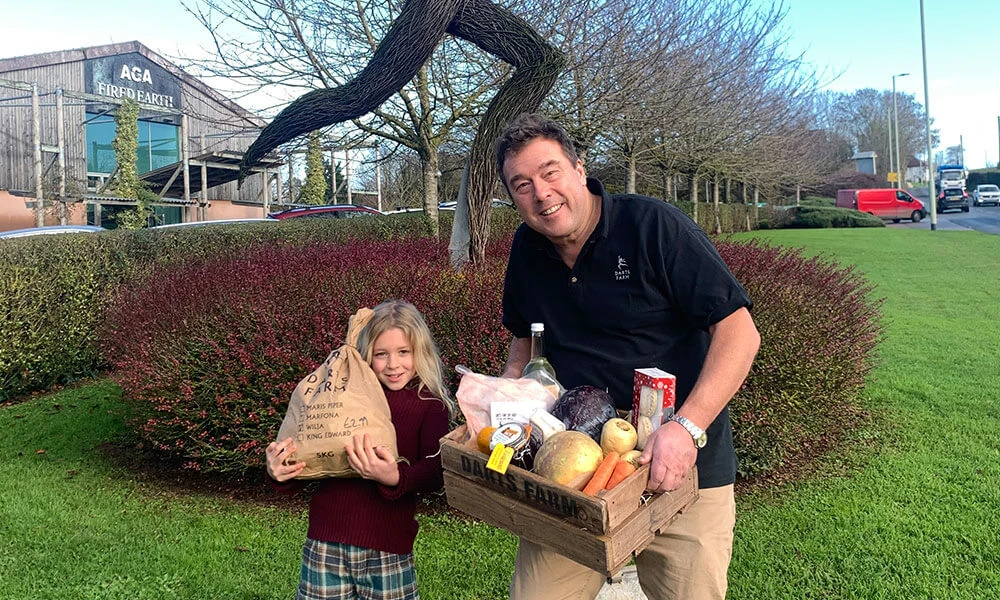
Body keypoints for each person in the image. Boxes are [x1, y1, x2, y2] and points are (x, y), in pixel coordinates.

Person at [496, 113, 761, 600]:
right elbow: (524, 339)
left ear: (579, 169)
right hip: (574, 476)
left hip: (680, 470)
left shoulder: (653, 227)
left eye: (551, 172)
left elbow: (739, 332)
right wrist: (507, 399)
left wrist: (687, 428)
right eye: (522, 184)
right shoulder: (528, 249)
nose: (541, 193)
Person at [265, 299, 454, 600]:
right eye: (381, 354)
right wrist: (280, 473)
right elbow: (315, 456)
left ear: (421, 351)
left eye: (403, 352)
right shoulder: (341, 397)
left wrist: (395, 476)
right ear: (366, 354)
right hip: (326, 542)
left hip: (387, 548)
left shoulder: (429, 405)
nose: (393, 364)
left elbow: (435, 471)